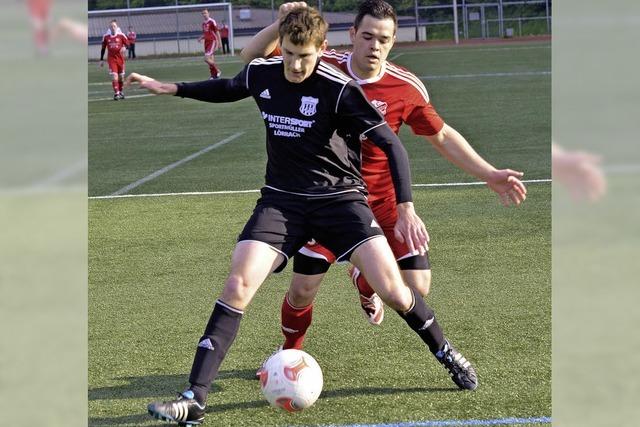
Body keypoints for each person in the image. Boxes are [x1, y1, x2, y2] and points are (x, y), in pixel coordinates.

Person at [128, 7, 473, 425]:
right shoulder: (265, 73)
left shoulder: (340, 88)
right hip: (281, 203)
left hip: (341, 202)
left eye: (304, 57)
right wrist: (172, 88)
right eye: (289, 54)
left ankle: (445, 351)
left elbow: (392, 145)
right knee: (238, 283)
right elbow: (228, 86)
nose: (295, 65)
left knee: (395, 291)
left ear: (321, 51)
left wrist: (405, 209)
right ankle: (194, 398)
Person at [242, 0, 526, 376]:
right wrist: (280, 22)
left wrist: (488, 173)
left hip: (383, 202)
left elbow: (440, 135)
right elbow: (254, 59)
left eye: (385, 39)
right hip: (330, 199)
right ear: (352, 36)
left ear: (393, 42)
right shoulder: (319, 65)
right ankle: (289, 354)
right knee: (301, 292)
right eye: (368, 36)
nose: (375, 46)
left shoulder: (405, 86)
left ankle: (364, 277)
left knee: (415, 287)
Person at [100, 19, 129, 101]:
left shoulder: (121, 35)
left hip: (120, 59)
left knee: (121, 77)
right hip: (111, 59)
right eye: (111, 26)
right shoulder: (106, 37)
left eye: (114, 26)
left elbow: (128, 44)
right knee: (114, 76)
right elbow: (103, 49)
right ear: (109, 28)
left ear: (117, 27)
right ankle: (116, 94)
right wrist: (101, 60)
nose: (113, 28)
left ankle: (120, 92)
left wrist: (125, 47)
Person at [197, 9, 221, 79]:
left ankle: (217, 70)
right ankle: (213, 75)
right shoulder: (203, 24)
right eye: (203, 13)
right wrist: (201, 38)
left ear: (209, 13)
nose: (204, 14)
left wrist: (219, 43)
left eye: (205, 13)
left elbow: (217, 32)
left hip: (212, 41)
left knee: (206, 59)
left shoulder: (212, 21)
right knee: (211, 59)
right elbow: (206, 34)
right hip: (206, 42)